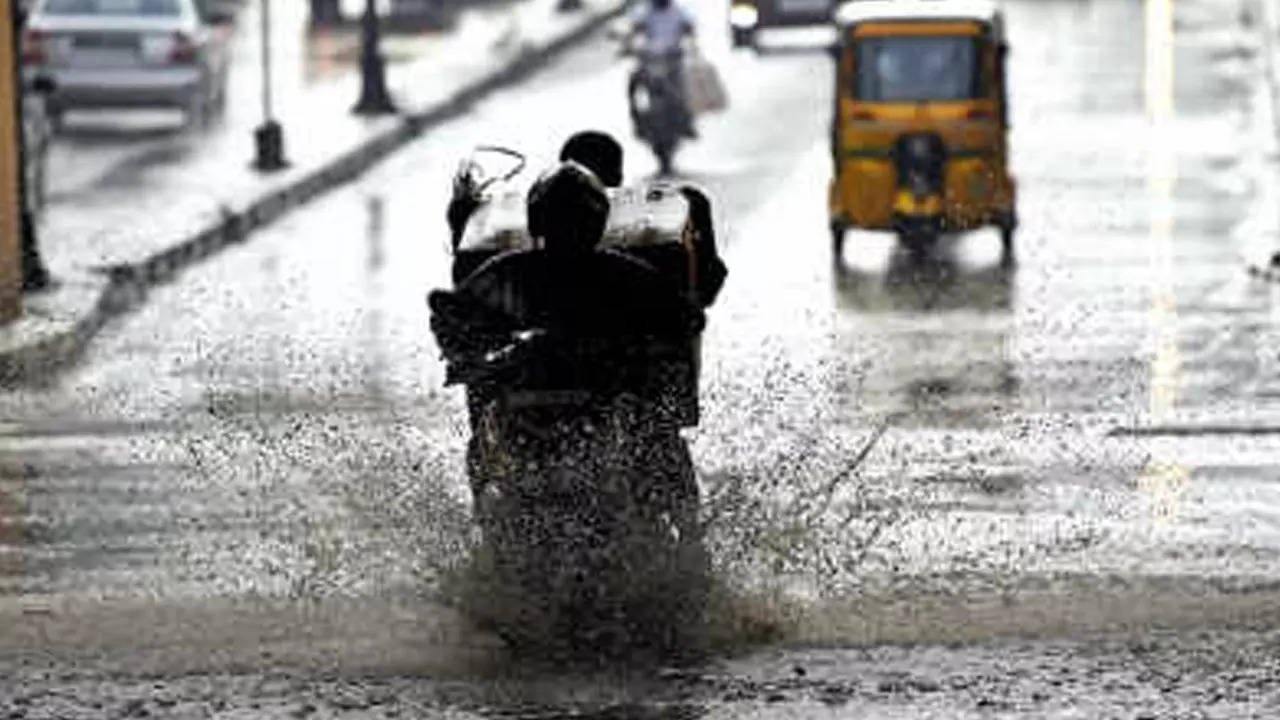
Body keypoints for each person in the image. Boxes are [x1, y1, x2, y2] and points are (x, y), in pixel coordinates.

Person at [627, 0, 697, 139]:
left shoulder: (680, 13)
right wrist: (632, 45)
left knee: (685, 86)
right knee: (632, 85)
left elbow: (689, 31)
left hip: (672, 60)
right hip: (649, 60)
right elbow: (633, 33)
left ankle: (687, 122)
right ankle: (636, 120)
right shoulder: (642, 13)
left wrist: (688, 43)